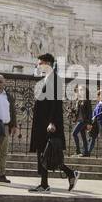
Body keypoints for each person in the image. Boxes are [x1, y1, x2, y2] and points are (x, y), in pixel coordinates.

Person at [29, 52, 77, 192]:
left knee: (48, 153)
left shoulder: (54, 79)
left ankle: (67, 174)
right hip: (42, 122)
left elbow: (56, 104)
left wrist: (52, 122)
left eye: (40, 64)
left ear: (47, 64)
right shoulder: (46, 78)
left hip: (48, 123)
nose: (38, 66)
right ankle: (45, 183)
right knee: (44, 153)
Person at [71, 89, 92, 156]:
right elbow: (78, 111)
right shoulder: (79, 101)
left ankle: (78, 151)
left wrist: (89, 123)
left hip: (84, 121)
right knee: (83, 136)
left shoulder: (87, 101)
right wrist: (72, 111)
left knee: (74, 133)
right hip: (79, 120)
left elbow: (90, 112)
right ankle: (86, 152)